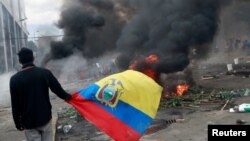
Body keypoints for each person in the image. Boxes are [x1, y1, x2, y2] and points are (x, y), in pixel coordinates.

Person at [9, 47, 72, 141]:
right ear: (33, 58)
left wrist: (17, 123)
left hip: (28, 122)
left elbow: (15, 104)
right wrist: (70, 97)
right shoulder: (44, 73)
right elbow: (58, 90)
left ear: (20, 61)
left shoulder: (14, 80)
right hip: (45, 118)